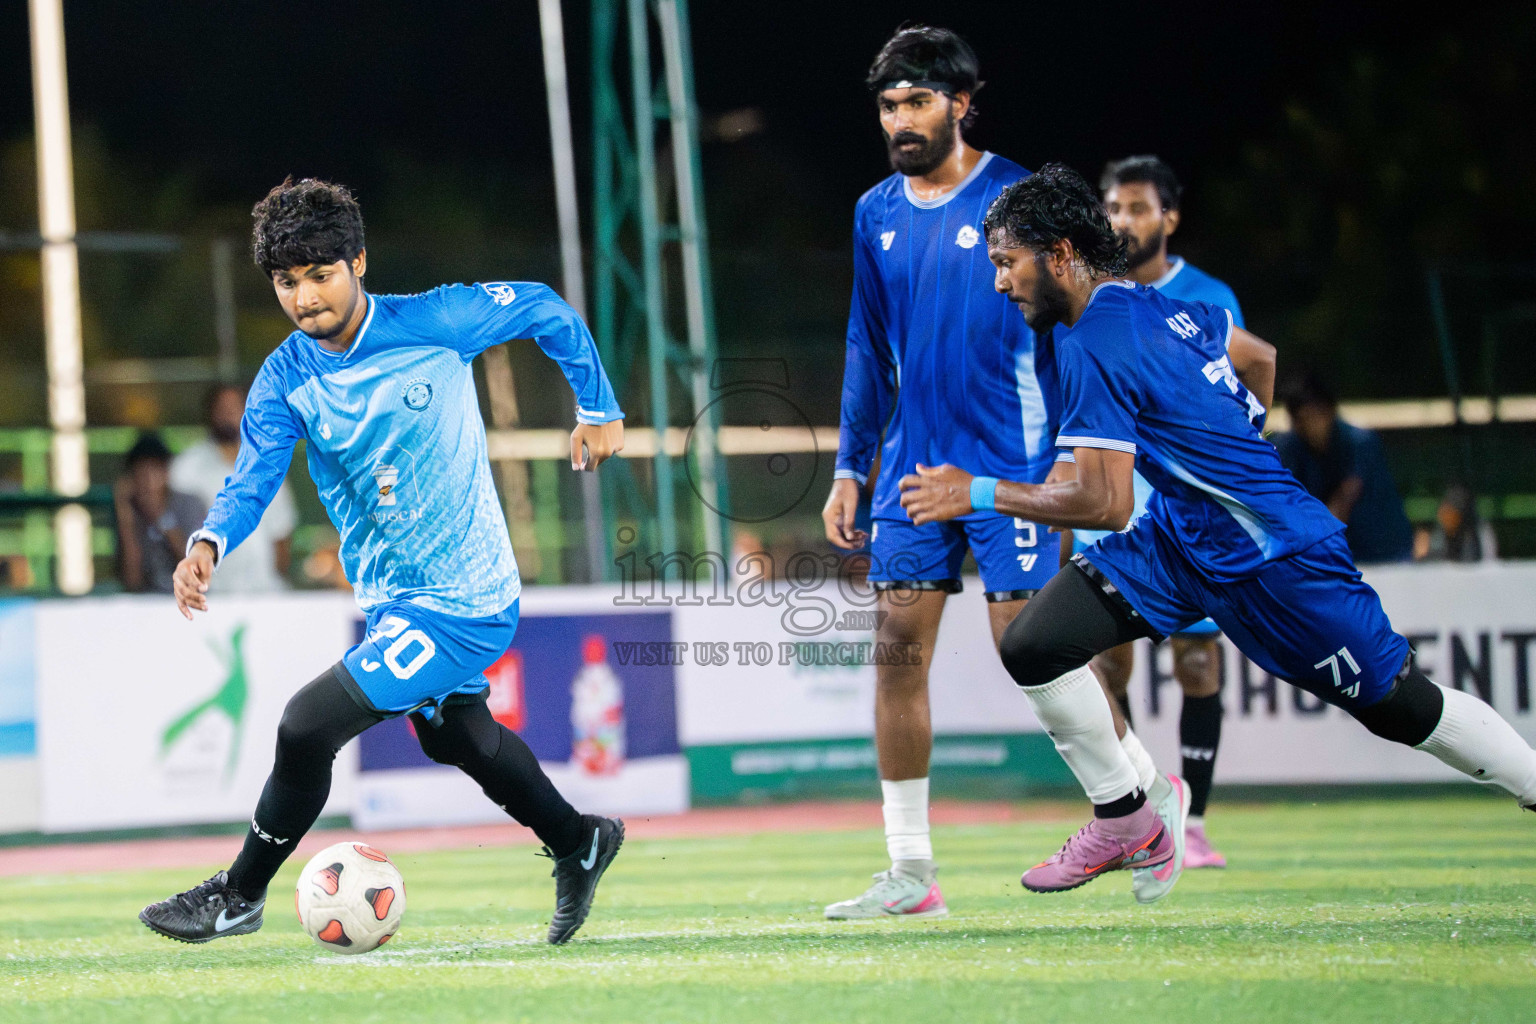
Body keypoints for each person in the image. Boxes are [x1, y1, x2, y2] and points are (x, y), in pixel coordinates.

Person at [899, 164, 1536, 895]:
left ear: (1062, 253)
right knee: (1036, 644)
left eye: (1008, 263)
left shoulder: (1093, 342)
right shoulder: (1157, 306)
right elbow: (1257, 356)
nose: (1000, 282)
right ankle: (1127, 820)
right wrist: (1236, 444)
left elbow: (1105, 505)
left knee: (1400, 706)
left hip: (1278, 559)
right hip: (1182, 537)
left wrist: (973, 491)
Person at [139, 178, 627, 946]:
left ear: (358, 261)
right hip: (395, 599)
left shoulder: (437, 320)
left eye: (321, 274)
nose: (305, 297)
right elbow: (255, 476)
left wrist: (598, 409)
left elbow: (542, 305)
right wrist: (208, 541)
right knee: (455, 735)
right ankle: (580, 840)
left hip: (466, 598)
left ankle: (238, 894)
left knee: (305, 727)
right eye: (287, 282)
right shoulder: (285, 379)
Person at [821, 27, 1186, 917]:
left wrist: (1078, 443)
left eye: (916, 101)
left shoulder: (1020, 203)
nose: (899, 119)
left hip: (1012, 466)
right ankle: (910, 873)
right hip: (910, 470)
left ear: (962, 102)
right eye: (887, 105)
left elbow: (1073, 324)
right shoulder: (875, 212)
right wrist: (848, 467)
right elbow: (868, 344)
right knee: (896, 656)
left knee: (1039, 655)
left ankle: (1144, 800)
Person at [1074, 155, 1244, 869]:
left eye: (1138, 207)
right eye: (1113, 206)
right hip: (1112, 513)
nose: (1122, 220)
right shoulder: (1088, 298)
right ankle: (1151, 807)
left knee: (1198, 664)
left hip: (1189, 514)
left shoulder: (1209, 297)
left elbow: (1238, 403)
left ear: (1169, 218)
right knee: (1104, 671)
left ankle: (1196, 821)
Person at [1273, 370, 1413, 564]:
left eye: (1313, 416)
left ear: (1329, 410)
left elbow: (1343, 502)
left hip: (1384, 554)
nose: (1307, 426)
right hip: (1337, 557)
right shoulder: (1289, 448)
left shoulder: (1360, 442)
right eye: (1300, 419)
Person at [171, 383, 297, 593]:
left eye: (234, 408)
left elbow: (281, 535)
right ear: (209, 413)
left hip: (266, 593)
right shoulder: (186, 467)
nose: (227, 415)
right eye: (221, 409)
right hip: (211, 595)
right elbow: (173, 528)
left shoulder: (268, 465)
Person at [115, 432, 206, 594]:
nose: (147, 480)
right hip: (145, 608)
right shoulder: (130, 511)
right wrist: (125, 518)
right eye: (140, 472)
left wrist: (161, 516)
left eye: (154, 470)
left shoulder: (189, 504)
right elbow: (132, 582)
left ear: (166, 473)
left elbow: (197, 570)